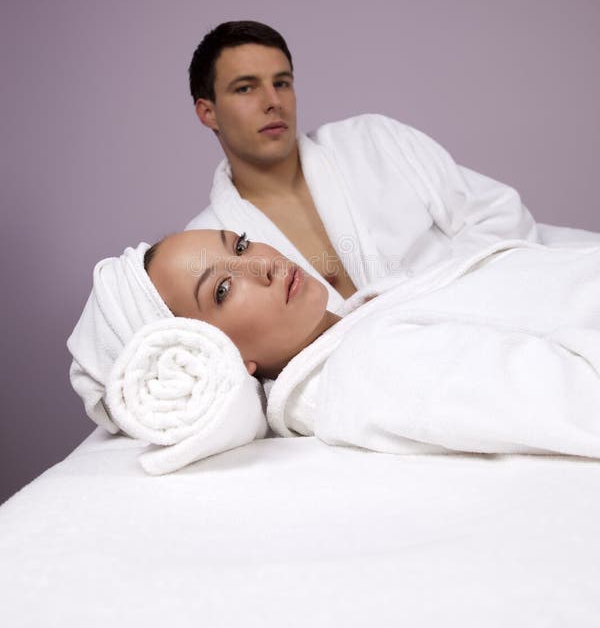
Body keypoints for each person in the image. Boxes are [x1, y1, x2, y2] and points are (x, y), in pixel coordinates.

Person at [69, 228, 600, 461]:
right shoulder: (367, 369)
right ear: (216, 355)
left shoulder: (352, 323)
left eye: (241, 244)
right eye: (223, 290)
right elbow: (574, 399)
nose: (264, 264)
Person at [185, 21, 599, 314]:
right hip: (387, 369)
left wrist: (425, 301)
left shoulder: (372, 141)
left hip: (486, 310)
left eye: (282, 82)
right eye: (245, 88)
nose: (273, 100)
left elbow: (498, 213)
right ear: (208, 112)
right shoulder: (209, 240)